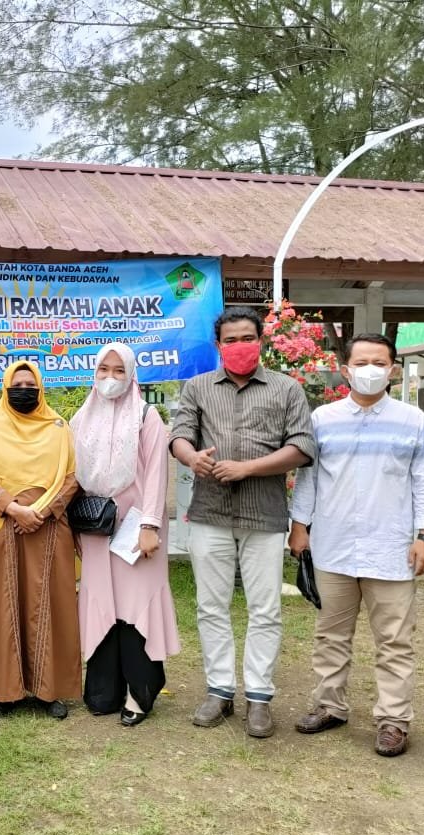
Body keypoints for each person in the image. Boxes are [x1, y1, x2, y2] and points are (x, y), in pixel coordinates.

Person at [288, 333, 424, 757]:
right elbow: (309, 479)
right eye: (362, 362)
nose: (370, 370)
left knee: (394, 640)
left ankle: (393, 720)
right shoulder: (322, 419)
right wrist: (299, 526)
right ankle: (329, 705)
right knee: (330, 634)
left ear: (392, 370)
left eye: (379, 362)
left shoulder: (414, 423)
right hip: (333, 545)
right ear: (345, 369)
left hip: (391, 547)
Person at [169, 306, 315, 738]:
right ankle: (219, 691)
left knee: (264, 609)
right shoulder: (197, 387)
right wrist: (190, 456)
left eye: (247, 338)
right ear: (218, 346)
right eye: (230, 340)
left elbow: (302, 447)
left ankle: (258, 698)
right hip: (210, 513)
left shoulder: (286, 389)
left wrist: (247, 469)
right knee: (210, 606)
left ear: (261, 341)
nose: (239, 346)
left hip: (264, 514)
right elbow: (178, 434)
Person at [72, 343, 180, 727]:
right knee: (103, 604)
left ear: (132, 374)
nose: (111, 378)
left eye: (119, 371)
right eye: (104, 370)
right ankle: (103, 691)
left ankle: (139, 692)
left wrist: (151, 524)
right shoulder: (82, 418)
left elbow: (156, 473)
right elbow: (76, 477)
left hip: (136, 531)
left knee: (135, 608)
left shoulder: (147, 417)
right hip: (98, 529)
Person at [0, 361, 81, 720]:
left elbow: (73, 476)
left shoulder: (58, 427)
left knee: (50, 603)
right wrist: (13, 508)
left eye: (30, 383)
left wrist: (43, 510)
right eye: (17, 383)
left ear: (40, 388)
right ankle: (8, 691)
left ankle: (50, 690)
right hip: (4, 526)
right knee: (6, 603)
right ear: (6, 388)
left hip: (49, 527)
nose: (24, 389)